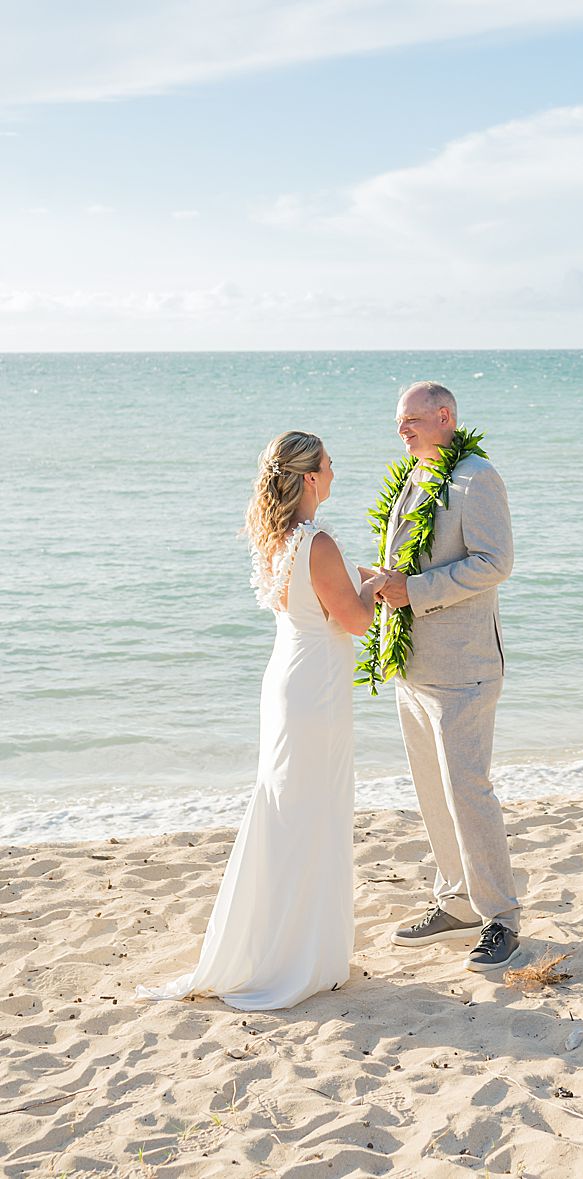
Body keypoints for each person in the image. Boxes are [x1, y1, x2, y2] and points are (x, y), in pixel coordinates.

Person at [139, 432, 384, 1010]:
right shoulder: (318, 542)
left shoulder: (279, 538)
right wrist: (374, 585)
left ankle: (290, 946)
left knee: (289, 811)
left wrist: (354, 578)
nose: (335, 469)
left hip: (286, 681)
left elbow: (313, 601)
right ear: (307, 478)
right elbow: (354, 621)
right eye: (328, 463)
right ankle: (300, 957)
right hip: (315, 689)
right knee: (314, 812)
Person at [361, 382, 521, 973]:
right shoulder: (417, 473)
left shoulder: (477, 478)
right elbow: (416, 557)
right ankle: (454, 902)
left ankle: (500, 918)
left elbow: (494, 562)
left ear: (444, 417)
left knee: (468, 791)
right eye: (399, 421)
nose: (400, 431)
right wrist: (384, 580)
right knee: (432, 790)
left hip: (464, 666)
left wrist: (415, 591)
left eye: (409, 421)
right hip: (413, 664)